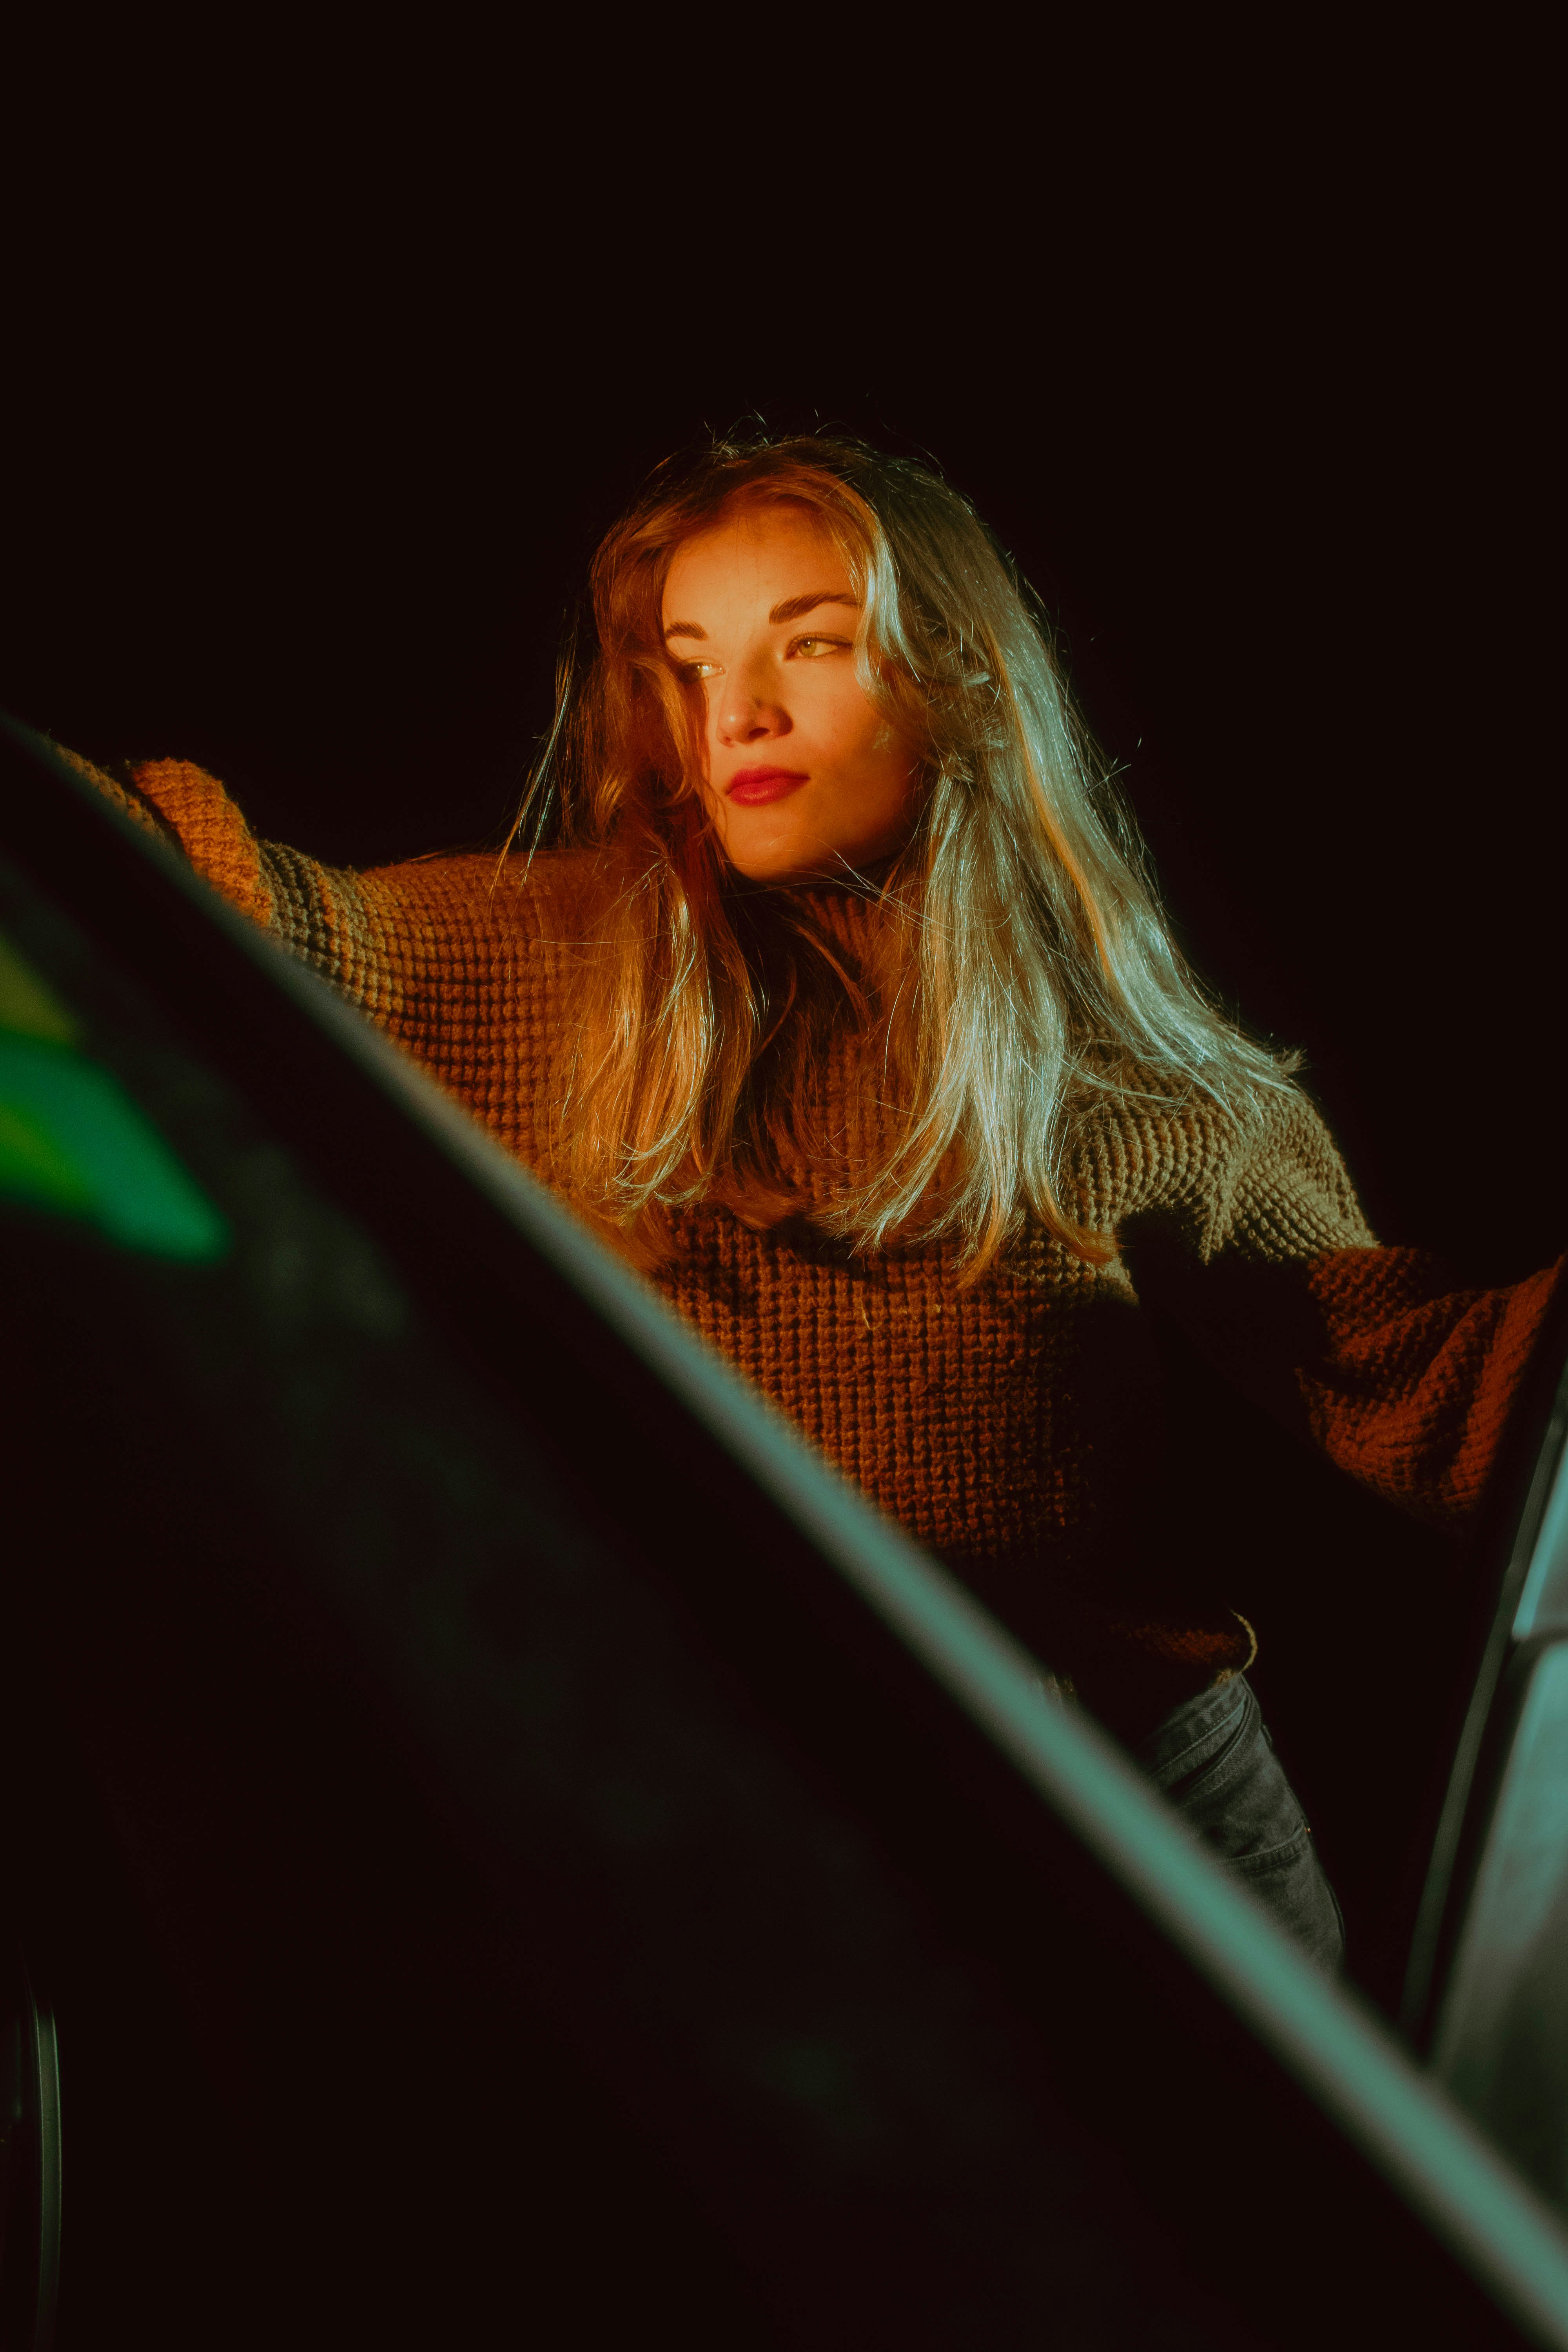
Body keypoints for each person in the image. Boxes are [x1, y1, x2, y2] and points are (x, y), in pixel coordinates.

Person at [71, 433, 1562, 1969]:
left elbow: (1436, 1389)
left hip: (1138, 1807)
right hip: (747, 1820)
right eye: (692, 663)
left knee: (1281, 2215)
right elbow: (225, 891)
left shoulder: (1118, 1078)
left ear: (958, 679)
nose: (742, 715)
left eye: (815, 647)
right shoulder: (570, 972)